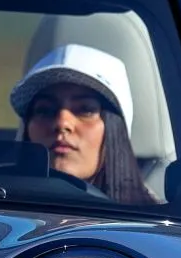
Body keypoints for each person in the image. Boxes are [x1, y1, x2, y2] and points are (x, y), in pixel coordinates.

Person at [10, 44, 155, 206]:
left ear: (116, 130)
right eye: (44, 110)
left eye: (85, 110)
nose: (62, 123)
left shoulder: (156, 228)